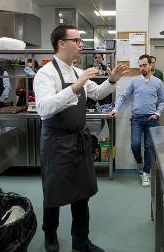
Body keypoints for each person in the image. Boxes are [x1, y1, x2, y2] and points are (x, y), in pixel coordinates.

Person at [33, 24, 127, 252]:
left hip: (78, 141)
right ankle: (50, 234)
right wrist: (75, 87)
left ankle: (81, 242)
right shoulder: (45, 74)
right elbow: (44, 108)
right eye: (76, 40)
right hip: (56, 141)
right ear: (61, 43)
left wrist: (112, 81)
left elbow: (96, 93)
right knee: (52, 191)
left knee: (82, 194)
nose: (80, 45)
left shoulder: (77, 72)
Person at [108, 55, 164, 187]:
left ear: (151, 65)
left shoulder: (158, 82)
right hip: (137, 119)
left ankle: (146, 173)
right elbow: (123, 96)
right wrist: (116, 109)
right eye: (140, 66)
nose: (142, 68)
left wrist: (157, 113)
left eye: (144, 65)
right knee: (135, 145)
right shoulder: (134, 81)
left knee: (149, 147)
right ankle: (139, 163)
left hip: (152, 119)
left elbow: (163, 100)